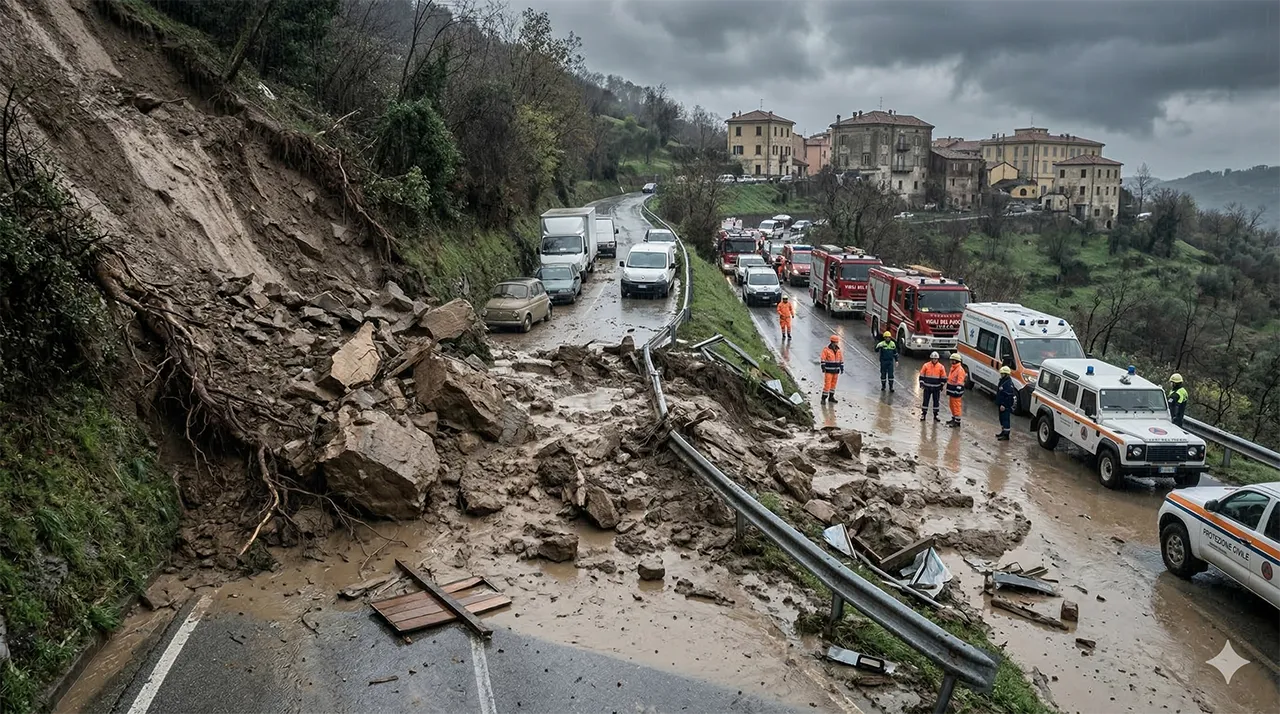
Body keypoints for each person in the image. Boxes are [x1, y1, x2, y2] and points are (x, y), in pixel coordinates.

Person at [919, 351, 946, 421]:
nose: (934, 360)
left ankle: (935, 415)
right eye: (933, 359)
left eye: (936, 359)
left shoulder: (941, 367)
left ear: (937, 359)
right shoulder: (926, 365)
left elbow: (944, 377)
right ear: (931, 359)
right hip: (927, 387)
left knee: (936, 402)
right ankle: (923, 414)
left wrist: (942, 385)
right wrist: (921, 383)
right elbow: (921, 375)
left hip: (936, 388)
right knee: (925, 401)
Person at [820, 335, 844, 404]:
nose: (837, 343)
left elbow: (841, 359)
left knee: (833, 385)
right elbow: (823, 358)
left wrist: (841, 367)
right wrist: (823, 367)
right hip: (829, 370)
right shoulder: (826, 350)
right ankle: (823, 398)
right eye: (836, 342)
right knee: (827, 384)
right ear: (832, 342)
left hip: (836, 371)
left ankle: (831, 397)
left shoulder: (838, 350)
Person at [996, 366, 1017, 440]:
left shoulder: (1008, 384)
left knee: (1005, 419)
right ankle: (1003, 431)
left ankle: (1006, 435)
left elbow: (1008, 396)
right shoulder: (1003, 381)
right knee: (1001, 419)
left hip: (1005, 405)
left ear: (1006, 374)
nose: (1001, 375)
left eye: (1002, 374)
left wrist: (1004, 405)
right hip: (1001, 403)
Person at [945, 353, 966, 427]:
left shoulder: (959, 370)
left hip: (956, 391)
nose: (951, 361)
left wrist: (957, 391)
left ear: (955, 361)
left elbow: (960, 382)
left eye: (952, 360)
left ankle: (957, 421)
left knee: (956, 406)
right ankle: (954, 418)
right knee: (952, 405)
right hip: (952, 390)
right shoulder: (953, 368)